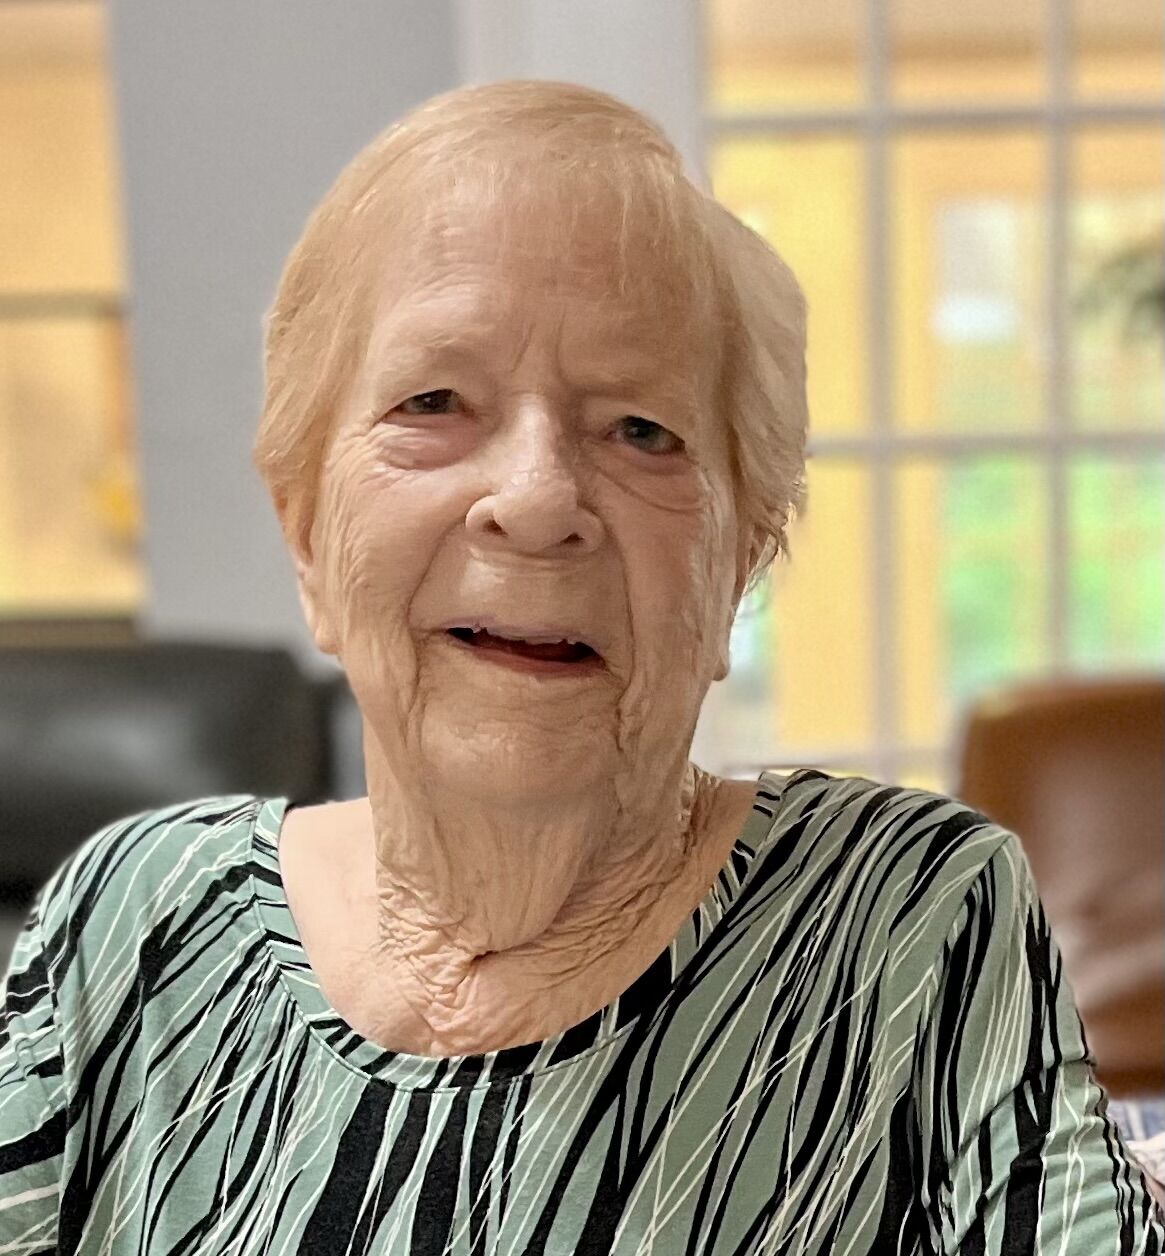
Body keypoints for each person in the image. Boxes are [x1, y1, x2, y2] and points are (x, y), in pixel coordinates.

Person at [0, 80, 1160, 1255]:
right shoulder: (136, 920)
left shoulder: (905, 918)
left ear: (737, 566)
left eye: (641, 429)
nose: (538, 497)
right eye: (435, 401)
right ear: (307, 533)